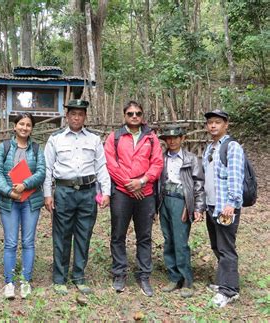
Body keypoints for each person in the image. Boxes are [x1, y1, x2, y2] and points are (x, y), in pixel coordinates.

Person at [44, 99, 111, 296]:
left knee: (84, 234)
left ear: (85, 117)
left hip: (88, 193)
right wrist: (48, 194)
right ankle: (60, 278)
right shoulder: (55, 139)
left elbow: (101, 167)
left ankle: (79, 276)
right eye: (73, 113)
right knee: (62, 235)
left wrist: (105, 192)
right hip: (64, 192)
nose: (76, 117)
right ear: (67, 116)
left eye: (80, 114)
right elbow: (48, 168)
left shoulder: (94, 139)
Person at [104, 100, 163, 297]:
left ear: (142, 115)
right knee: (118, 234)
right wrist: (130, 184)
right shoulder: (115, 137)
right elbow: (111, 163)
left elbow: (157, 163)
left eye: (138, 113)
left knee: (144, 236)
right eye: (130, 113)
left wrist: (143, 181)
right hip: (122, 192)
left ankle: (144, 275)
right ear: (125, 116)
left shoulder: (151, 138)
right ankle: (119, 273)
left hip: (145, 193)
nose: (134, 116)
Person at [0, 112, 46, 299]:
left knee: (28, 242)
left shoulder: (37, 148)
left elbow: (41, 172)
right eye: (21, 124)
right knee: (10, 242)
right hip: (9, 201)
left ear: (32, 128)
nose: (24, 127)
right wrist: (9, 191)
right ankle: (9, 282)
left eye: (28, 125)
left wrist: (25, 184)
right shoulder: (4, 147)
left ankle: (25, 280)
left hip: (30, 201)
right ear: (14, 126)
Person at [202, 109, 244, 308]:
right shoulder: (209, 148)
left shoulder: (232, 147)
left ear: (226, 125)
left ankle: (229, 290)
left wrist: (232, 203)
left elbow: (236, 176)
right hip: (211, 204)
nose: (213, 126)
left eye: (217, 122)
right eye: (210, 122)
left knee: (227, 247)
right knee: (217, 245)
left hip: (225, 206)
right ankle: (224, 281)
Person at [157, 125, 205, 298]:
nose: (172, 141)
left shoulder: (191, 159)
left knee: (180, 241)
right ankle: (173, 277)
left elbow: (198, 185)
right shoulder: (161, 158)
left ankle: (186, 280)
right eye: (169, 138)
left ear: (182, 139)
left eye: (176, 137)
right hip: (164, 200)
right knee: (168, 239)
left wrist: (196, 207)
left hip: (181, 201)